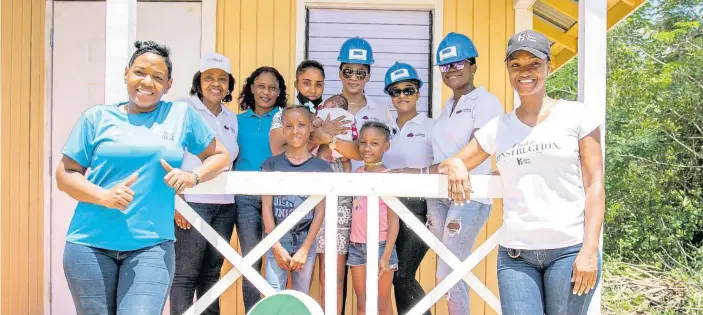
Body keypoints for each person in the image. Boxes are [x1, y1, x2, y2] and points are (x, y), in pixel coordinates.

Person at [56, 40, 230, 315]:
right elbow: (65, 175)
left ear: (169, 84)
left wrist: (192, 176)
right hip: (89, 245)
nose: (147, 82)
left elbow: (221, 156)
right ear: (126, 73)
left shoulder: (180, 115)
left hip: (151, 247)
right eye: (139, 72)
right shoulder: (96, 118)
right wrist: (104, 196)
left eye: (158, 77)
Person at [439, 30, 604, 315]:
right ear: (508, 71)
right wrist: (454, 165)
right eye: (516, 65)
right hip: (516, 257)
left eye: (534, 64)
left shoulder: (577, 116)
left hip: (569, 251)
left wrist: (590, 249)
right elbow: (453, 161)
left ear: (548, 67)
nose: (524, 72)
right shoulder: (498, 128)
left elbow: (595, 185)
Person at [170, 52, 239, 315]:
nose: (215, 84)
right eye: (209, 77)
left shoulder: (231, 118)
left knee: (211, 274)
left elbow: (230, 158)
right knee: (185, 274)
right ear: (198, 81)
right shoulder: (182, 110)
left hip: (225, 205)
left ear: (229, 84)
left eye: (222, 79)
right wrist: (177, 202)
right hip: (192, 204)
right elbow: (172, 157)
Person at [261, 105, 333, 294]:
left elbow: (320, 211)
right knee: (272, 291)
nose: (295, 131)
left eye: (301, 125)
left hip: (305, 239)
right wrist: (275, 246)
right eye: (289, 126)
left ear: (311, 127)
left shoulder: (321, 167)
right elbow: (266, 207)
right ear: (283, 129)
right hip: (277, 237)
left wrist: (305, 248)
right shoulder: (271, 164)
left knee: (301, 293)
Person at [234, 66, 288, 311]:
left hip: (278, 198)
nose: (266, 92)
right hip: (245, 198)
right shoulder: (236, 121)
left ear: (279, 92)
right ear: (252, 88)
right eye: (261, 86)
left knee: (277, 261)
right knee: (251, 261)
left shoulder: (285, 120)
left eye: (272, 87)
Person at [382, 62, 434, 315]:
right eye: (396, 91)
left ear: (418, 92)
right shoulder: (384, 130)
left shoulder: (432, 127)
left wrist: (416, 174)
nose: (402, 96)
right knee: (394, 277)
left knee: (404, 275)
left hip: (419, 207)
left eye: (408, 90)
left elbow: (445, 165)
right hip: (386, 209)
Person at [348, 121, 400, 315]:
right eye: (363, 142)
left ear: (386, 146)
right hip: (356, 246)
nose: (367, 147)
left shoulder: (388, 177)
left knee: (381, 304)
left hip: (380, 246)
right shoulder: (356, 174)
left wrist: (386, 256)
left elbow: (394, 220)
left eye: (374, 143)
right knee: (362, 304)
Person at [335, 36, 394, 171]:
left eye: (360, 73)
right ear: (340, 74)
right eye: (348, 72)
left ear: (368, 76)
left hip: (370, 186)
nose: (354, 78)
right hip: (335, 184)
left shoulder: (381, 110)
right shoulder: (328, 109)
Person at [312, 94, 355, 173]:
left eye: (324, 103)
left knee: (322, 154)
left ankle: (321, 172)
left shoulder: (325, 111)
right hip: (345, 145)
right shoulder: (348, 114)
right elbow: (352, 123)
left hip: (327, 143)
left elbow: (316, 123)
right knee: (345, 160)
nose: (323, 106)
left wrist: (313, 123)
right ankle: (348, 173)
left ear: (332, 104)